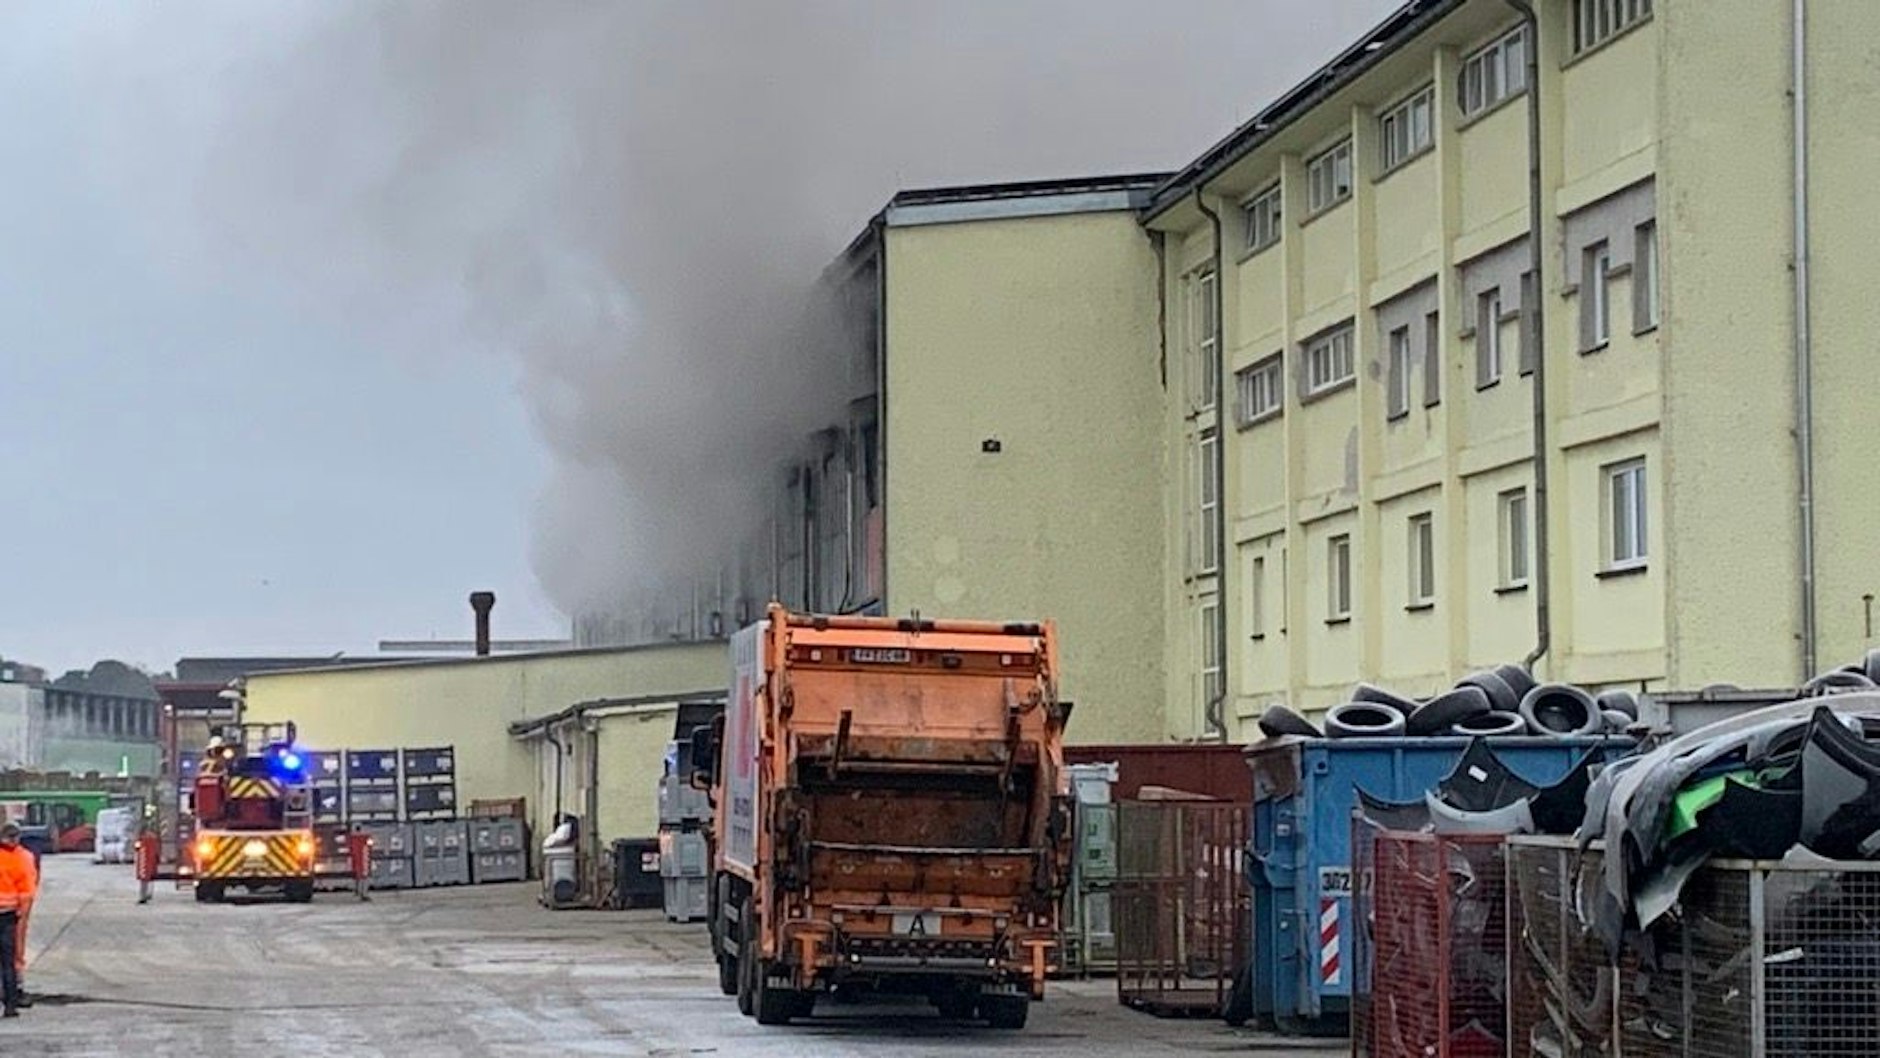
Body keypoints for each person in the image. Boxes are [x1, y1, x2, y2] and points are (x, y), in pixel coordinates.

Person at [0, 821, 32, 1017]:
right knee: (9, 961)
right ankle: (11, 1003)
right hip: (10, 915)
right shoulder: (22, 858)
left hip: (10, 913)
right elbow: (27, 891)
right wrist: (23, 913)